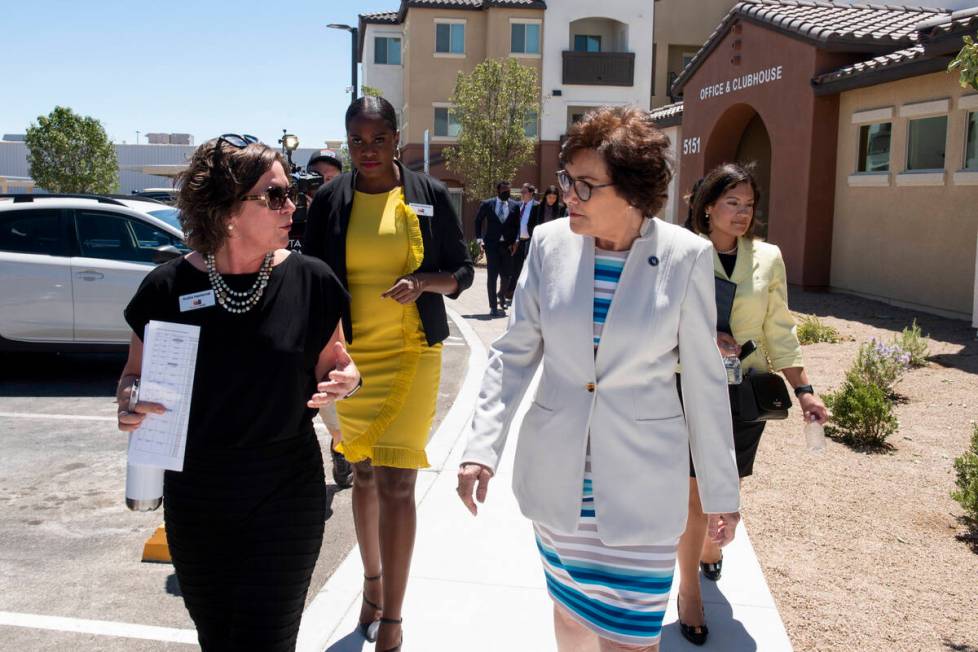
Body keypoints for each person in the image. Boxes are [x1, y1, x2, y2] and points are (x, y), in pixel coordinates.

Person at [457, 106, 741, 652]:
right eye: (568, 180)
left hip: (640, 485)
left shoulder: (686, 256)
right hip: (560, 479)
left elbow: (706, 385)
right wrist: (481, 448)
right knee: (569, 618)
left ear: (633, 191)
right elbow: (514, 355)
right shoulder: (549, 244)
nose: (569, 196)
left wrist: (720, 493)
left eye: (586, 186)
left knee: (631, 640)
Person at [116, 134, 360, 652]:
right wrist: (131, 401)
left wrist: (348, 379)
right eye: (274, 196)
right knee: (219, 639)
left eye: (291, 191)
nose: (291, 204)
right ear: (228, 209)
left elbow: (337, 363)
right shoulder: (165, 289)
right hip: (197, 497)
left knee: (265, 641)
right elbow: (131, 377)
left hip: (284, 493)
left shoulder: (312, 280)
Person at [302, 96, 473, 652]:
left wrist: (424, 282)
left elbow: (461, 272)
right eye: (357, 141)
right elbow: (311, 276)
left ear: (397, 138)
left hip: (412, 351)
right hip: (352, 358)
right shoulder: (330, 199)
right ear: (346, 142)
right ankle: (371, 585)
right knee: (366, 475)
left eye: (378, 140)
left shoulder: (430, 195)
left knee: (399, 480)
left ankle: (393, 618)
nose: (367, 151)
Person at [675, 162, 830, 646]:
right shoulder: (681, 254)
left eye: (749, 206)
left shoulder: (768, 257)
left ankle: (705, 550)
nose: (741, 214)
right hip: (688, 386)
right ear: (706, 207)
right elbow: (659, 324)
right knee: (696, 491)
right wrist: (703, 338)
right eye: (731, 204)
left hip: (745, 389)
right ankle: (689, 593)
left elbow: (779, 329)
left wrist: (804, 389)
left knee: (728, 482)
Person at [306, 147, 355, 488]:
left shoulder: (344, 218)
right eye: (315, 180)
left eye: (329, 179)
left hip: (330, 327)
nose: (321, 187)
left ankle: (341, 451)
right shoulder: (283, 216)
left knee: (332, 401)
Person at [474, 180, 519, 317]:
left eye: (509, 191)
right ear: (498, 191)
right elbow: (478, 221)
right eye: (504, 190)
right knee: (492, 276)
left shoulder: (514, 205)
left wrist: (515, 241)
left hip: (507, 245)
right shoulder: (488, 204)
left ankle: (501, 295)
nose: (507, 193)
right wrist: (479, 240)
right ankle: (493, 306)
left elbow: (517, 225)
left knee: (507, 276)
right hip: (492, 245)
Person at [506, 182, 539, 303]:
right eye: (521, 192)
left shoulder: (537, 206)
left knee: (530, 268)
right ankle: (510, 292)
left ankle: (530, 296)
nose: (522, 194)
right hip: (518, 241)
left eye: (524, 192)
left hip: (530, 240)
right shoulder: (518, 205)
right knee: (515, 267)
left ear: (531, 193)